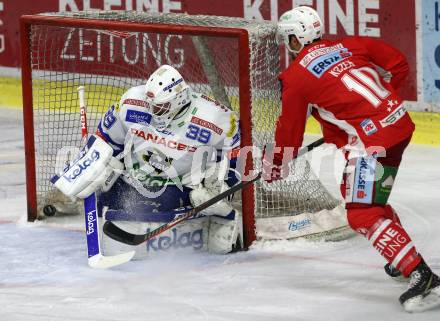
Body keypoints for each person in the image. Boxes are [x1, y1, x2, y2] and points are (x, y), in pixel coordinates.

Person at [263, 6, 440, 312]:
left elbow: (289, 130)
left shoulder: (296, 76)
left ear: (298, 38)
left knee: (361, 213)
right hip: (399, 124)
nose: (288, 46)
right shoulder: (349, 45)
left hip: (373, 143)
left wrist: (278, 163)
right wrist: (383, 104)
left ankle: (421, 276)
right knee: (367, 200)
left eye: (289, 39)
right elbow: (397, 63)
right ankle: (401, 258)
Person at [53, 64, 242, 254]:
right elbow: (106, 139)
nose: (153, 111)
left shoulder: (213, 118)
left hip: (179, 185)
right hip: (133, 176)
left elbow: (235, 152)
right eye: (151, 105)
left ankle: (219, 216)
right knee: (104, 189)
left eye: (161, 107)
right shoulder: (133, 103)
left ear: (180, 99)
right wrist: (90, 166)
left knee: (198, 198)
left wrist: (224, 184)